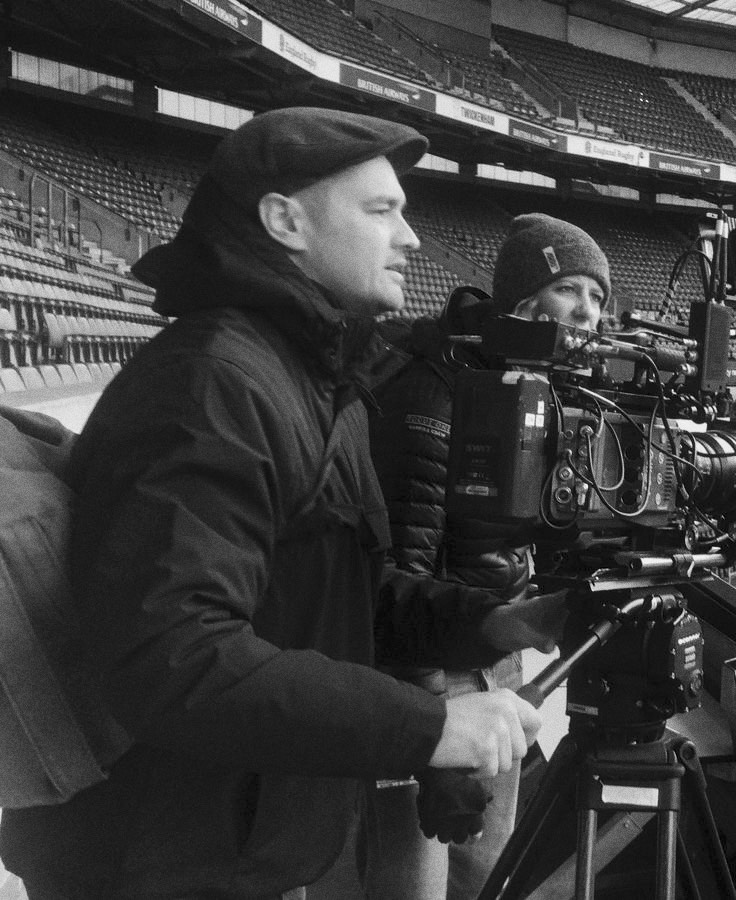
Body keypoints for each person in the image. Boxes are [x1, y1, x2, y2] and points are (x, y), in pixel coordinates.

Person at [0, 107, 562, 899]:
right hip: (162, 863)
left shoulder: (316, 380)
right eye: (382, 211)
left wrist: (487, 622)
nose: (412, 239)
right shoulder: (213, 383)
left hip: (246, 847)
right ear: (284, 219)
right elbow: (174, 654)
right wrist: (426, 728)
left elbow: (334, 600)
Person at [368, 213, 609, 899]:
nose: (587, 313)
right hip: (431, 673)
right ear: (524, 300)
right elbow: (401, 576)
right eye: (571, 290)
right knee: (412, 882)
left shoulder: (527, 385)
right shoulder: (436, 385)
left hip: (496, 661)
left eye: (597, 297)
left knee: (482, 876)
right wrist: (431, 743)